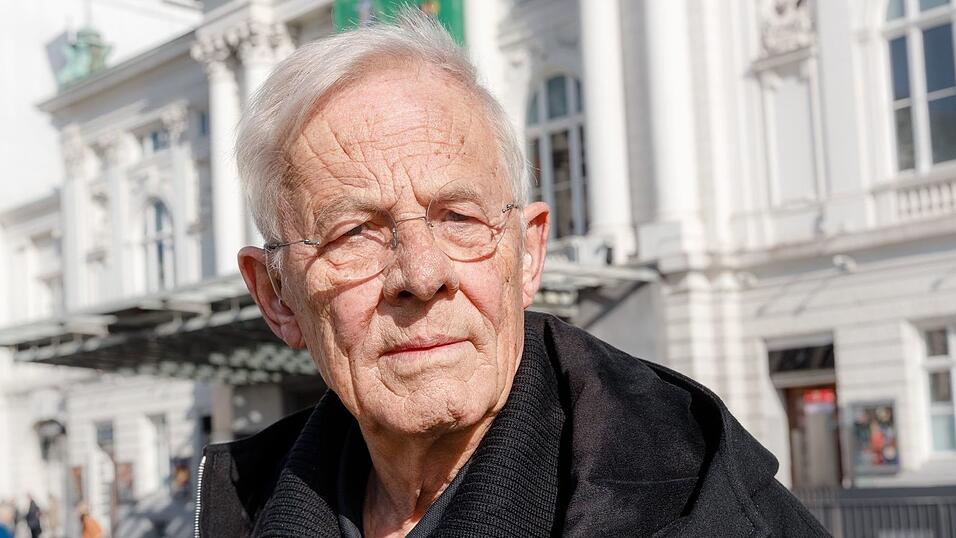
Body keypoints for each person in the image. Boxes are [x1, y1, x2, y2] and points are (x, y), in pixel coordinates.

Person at [198, 12, 829, 538]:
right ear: (276, 296)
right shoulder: (245, 506)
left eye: (460, 217)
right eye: (353, 233)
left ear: (526, 254)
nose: (422, 275)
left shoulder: (702, 510)